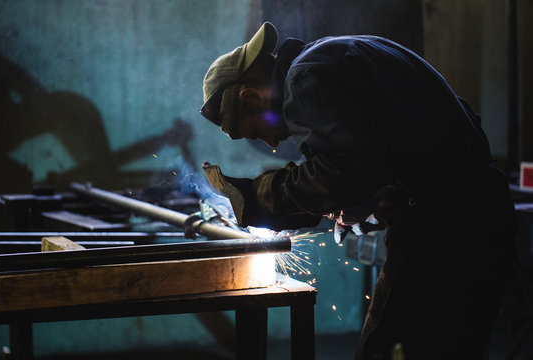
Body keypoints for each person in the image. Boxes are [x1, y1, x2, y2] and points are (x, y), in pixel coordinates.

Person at [200, 22, 517, 359]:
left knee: (384, 348)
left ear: (251, 95)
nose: (272, 142)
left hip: (445, 228)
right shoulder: (333, 55)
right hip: (479, 215)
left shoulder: (304, 78)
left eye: (256, 131)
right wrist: (373, 198)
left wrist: (259, 197)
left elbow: (341, 171)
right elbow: (392, 150)